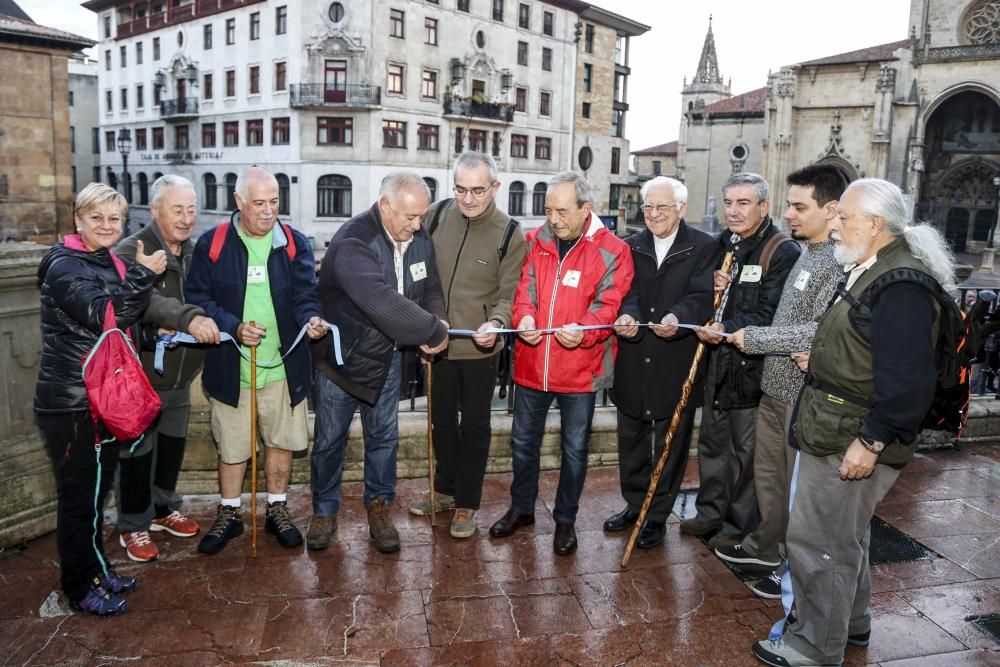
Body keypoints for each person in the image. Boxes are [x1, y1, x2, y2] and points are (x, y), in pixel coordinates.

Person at [752, 179, 954, 667]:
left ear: (875, 225)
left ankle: (815, 646)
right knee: (847, 536)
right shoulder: (872, 268)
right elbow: (864, 347)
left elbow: (907, 381)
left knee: (819, 541)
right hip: (837, 425)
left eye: (845, 216)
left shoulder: (900, 284)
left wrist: (871, 440)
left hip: (852, 435)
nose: (836, 224)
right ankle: (852, 623)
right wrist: (819, 355)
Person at [34, 183, 166, 615]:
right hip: (72, 400)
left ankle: (96, 569)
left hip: (102, 395)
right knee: (78, 499)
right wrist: (145, 273)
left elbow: (118, 329)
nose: (107, 226)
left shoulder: (104, 259)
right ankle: (78, 585)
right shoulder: (63, 265)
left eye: (114, 219)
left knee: (96, 493)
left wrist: (152, 334)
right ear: (78, 220)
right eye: (97, 218)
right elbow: (105, 315)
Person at [717, 165, 848, 598]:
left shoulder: (836, 261)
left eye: (798, 206)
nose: (789, 214)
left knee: (797, 491)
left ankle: (791, 566)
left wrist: (751, 338)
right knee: (769, 480)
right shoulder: (805, 251)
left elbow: (819, 331)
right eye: (789, 205)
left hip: (801, 395)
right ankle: (764, 547)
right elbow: (784, 315)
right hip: (774, 387)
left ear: (831, 211)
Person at [489, 172, 634, 555]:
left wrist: (584, 330)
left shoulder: (613, 250)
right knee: (522, 443)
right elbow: (523, 290)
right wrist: (524, 319)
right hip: (533, 364)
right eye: (548, 210)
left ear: (587, 209)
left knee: (574, 450)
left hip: (581, 371)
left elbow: (608, 305)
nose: (552, 219)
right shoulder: (534, 241)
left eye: (561, 211)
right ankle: (521, 508)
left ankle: (565, 519)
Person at [185, 167, 327, 555]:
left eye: (275, 202)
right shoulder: (212, 244)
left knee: (281, 442)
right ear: (239, 202)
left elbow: (305, 296)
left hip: (283, 366)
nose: (268, 212)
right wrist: (232, 326)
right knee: (232, 446)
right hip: (231, 366)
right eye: (259, 203)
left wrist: (311, 319)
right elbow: (197, 298)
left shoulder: (294, 243)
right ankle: (229, 513)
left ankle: (277, 509)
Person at [309, 172, 449, 553]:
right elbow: (380, 300)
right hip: (343, 362)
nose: (418, 225)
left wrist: (439, 320)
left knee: (384, 440)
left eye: (422, 216)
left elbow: (431, 286)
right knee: (328, 441)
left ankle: (379, 507)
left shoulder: (418, 236)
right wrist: (431, 332)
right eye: (410, 217)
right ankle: (323, 511)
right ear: (385, 206)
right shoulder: (353, 241)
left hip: (387, 360)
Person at [407, 152, 526, 538]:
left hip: (480, 348)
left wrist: (496, 322)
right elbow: (419, 271)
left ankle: (467, 503)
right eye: (460, 189)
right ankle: (444, 490)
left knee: (474, 426)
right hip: (437, 343)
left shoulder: (510, 232)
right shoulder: (438, 214)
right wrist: (422, 322)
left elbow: (509, 294)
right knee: (440, 423)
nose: (468, 199)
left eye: (477, 190)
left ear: (495, 187)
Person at [681, 173, 800, 547]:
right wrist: (710, 286)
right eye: (729, 203)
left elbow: (773, 315)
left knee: (748, 456)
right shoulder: (722, 244)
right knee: (713, 446)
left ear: (764, 207)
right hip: (718, 365)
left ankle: (737, 527)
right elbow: (698, 291)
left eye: (743, 203)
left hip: (752, 371)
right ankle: (709, 514)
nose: (733, 211)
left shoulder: (781, 251)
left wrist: (725, 326)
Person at [113, 175, 221, 562]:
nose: (186, 218)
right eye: (177, 209)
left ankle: (162, 510)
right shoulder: (132, 250)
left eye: (191, 210)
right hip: (142, 377)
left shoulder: (196, 252)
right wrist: (189, 318)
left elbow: (214, 293)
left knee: (172, 446)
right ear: (154, 210)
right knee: (136, 453)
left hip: (179, 377)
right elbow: (149, 301)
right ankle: (132, 526)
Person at [607, 176, 716, 549]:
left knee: (671, 443)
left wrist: (677, 316)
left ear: (681, 209)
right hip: (635, 357)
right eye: (648, 207)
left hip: (676, 360)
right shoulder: (630, 245)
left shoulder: (704, 247)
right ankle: (634, 503)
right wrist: (628, 316)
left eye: (662, 207)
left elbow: (703, 295)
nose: (653, 214)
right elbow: (624, 290)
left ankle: (656, 514)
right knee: (632, 437)